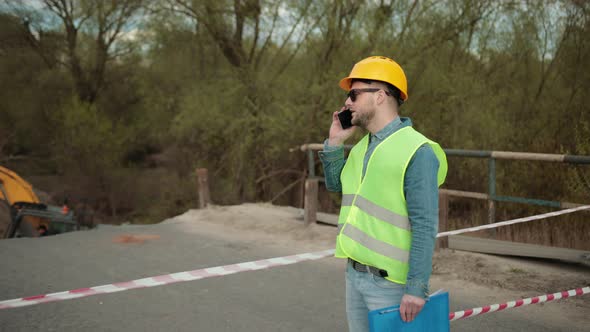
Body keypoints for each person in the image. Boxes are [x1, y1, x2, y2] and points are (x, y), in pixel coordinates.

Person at [319, 56, 448, 331]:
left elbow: (425, 226)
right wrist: (334, 143)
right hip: (354, 275)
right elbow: (336, 186)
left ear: (379, 96)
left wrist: (416, 288)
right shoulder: (362, 147)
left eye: (353, 94)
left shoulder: (418, 151)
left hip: (391, 286)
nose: (347, 103)